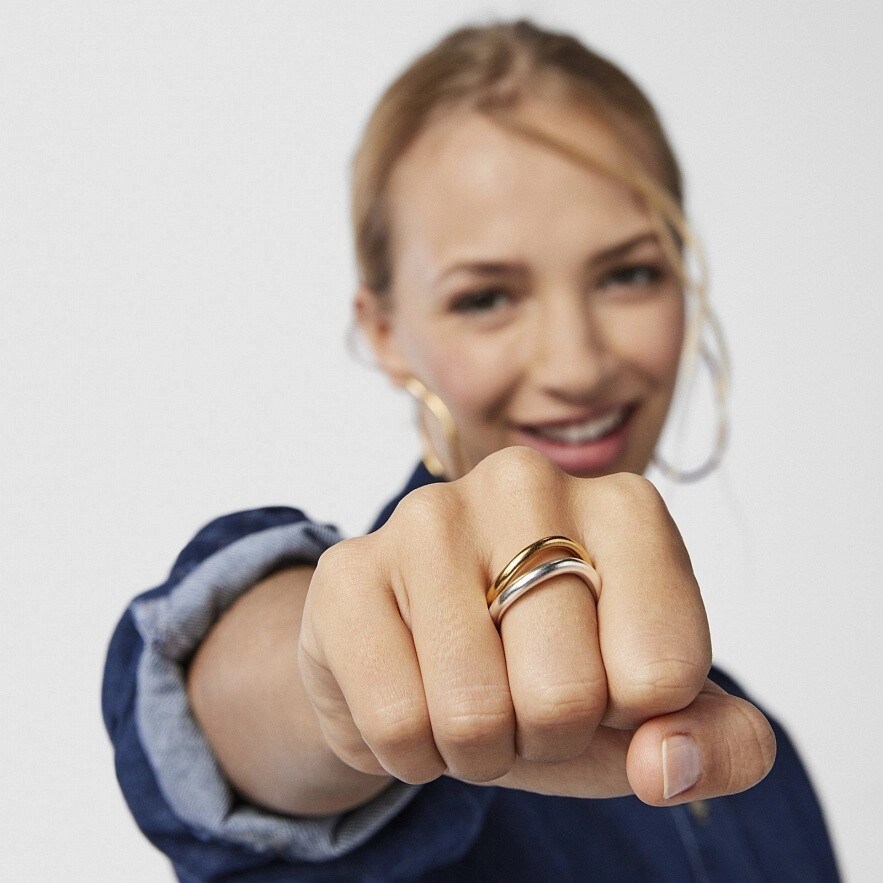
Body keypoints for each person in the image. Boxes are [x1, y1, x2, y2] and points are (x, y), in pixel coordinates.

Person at [102, 19, 839, 881]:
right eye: (486, 297)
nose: (576, 364)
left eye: (628, 274)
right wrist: (336, 691)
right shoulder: (383, 682)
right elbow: (236, 696)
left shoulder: (755, 753)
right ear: (385, 332)